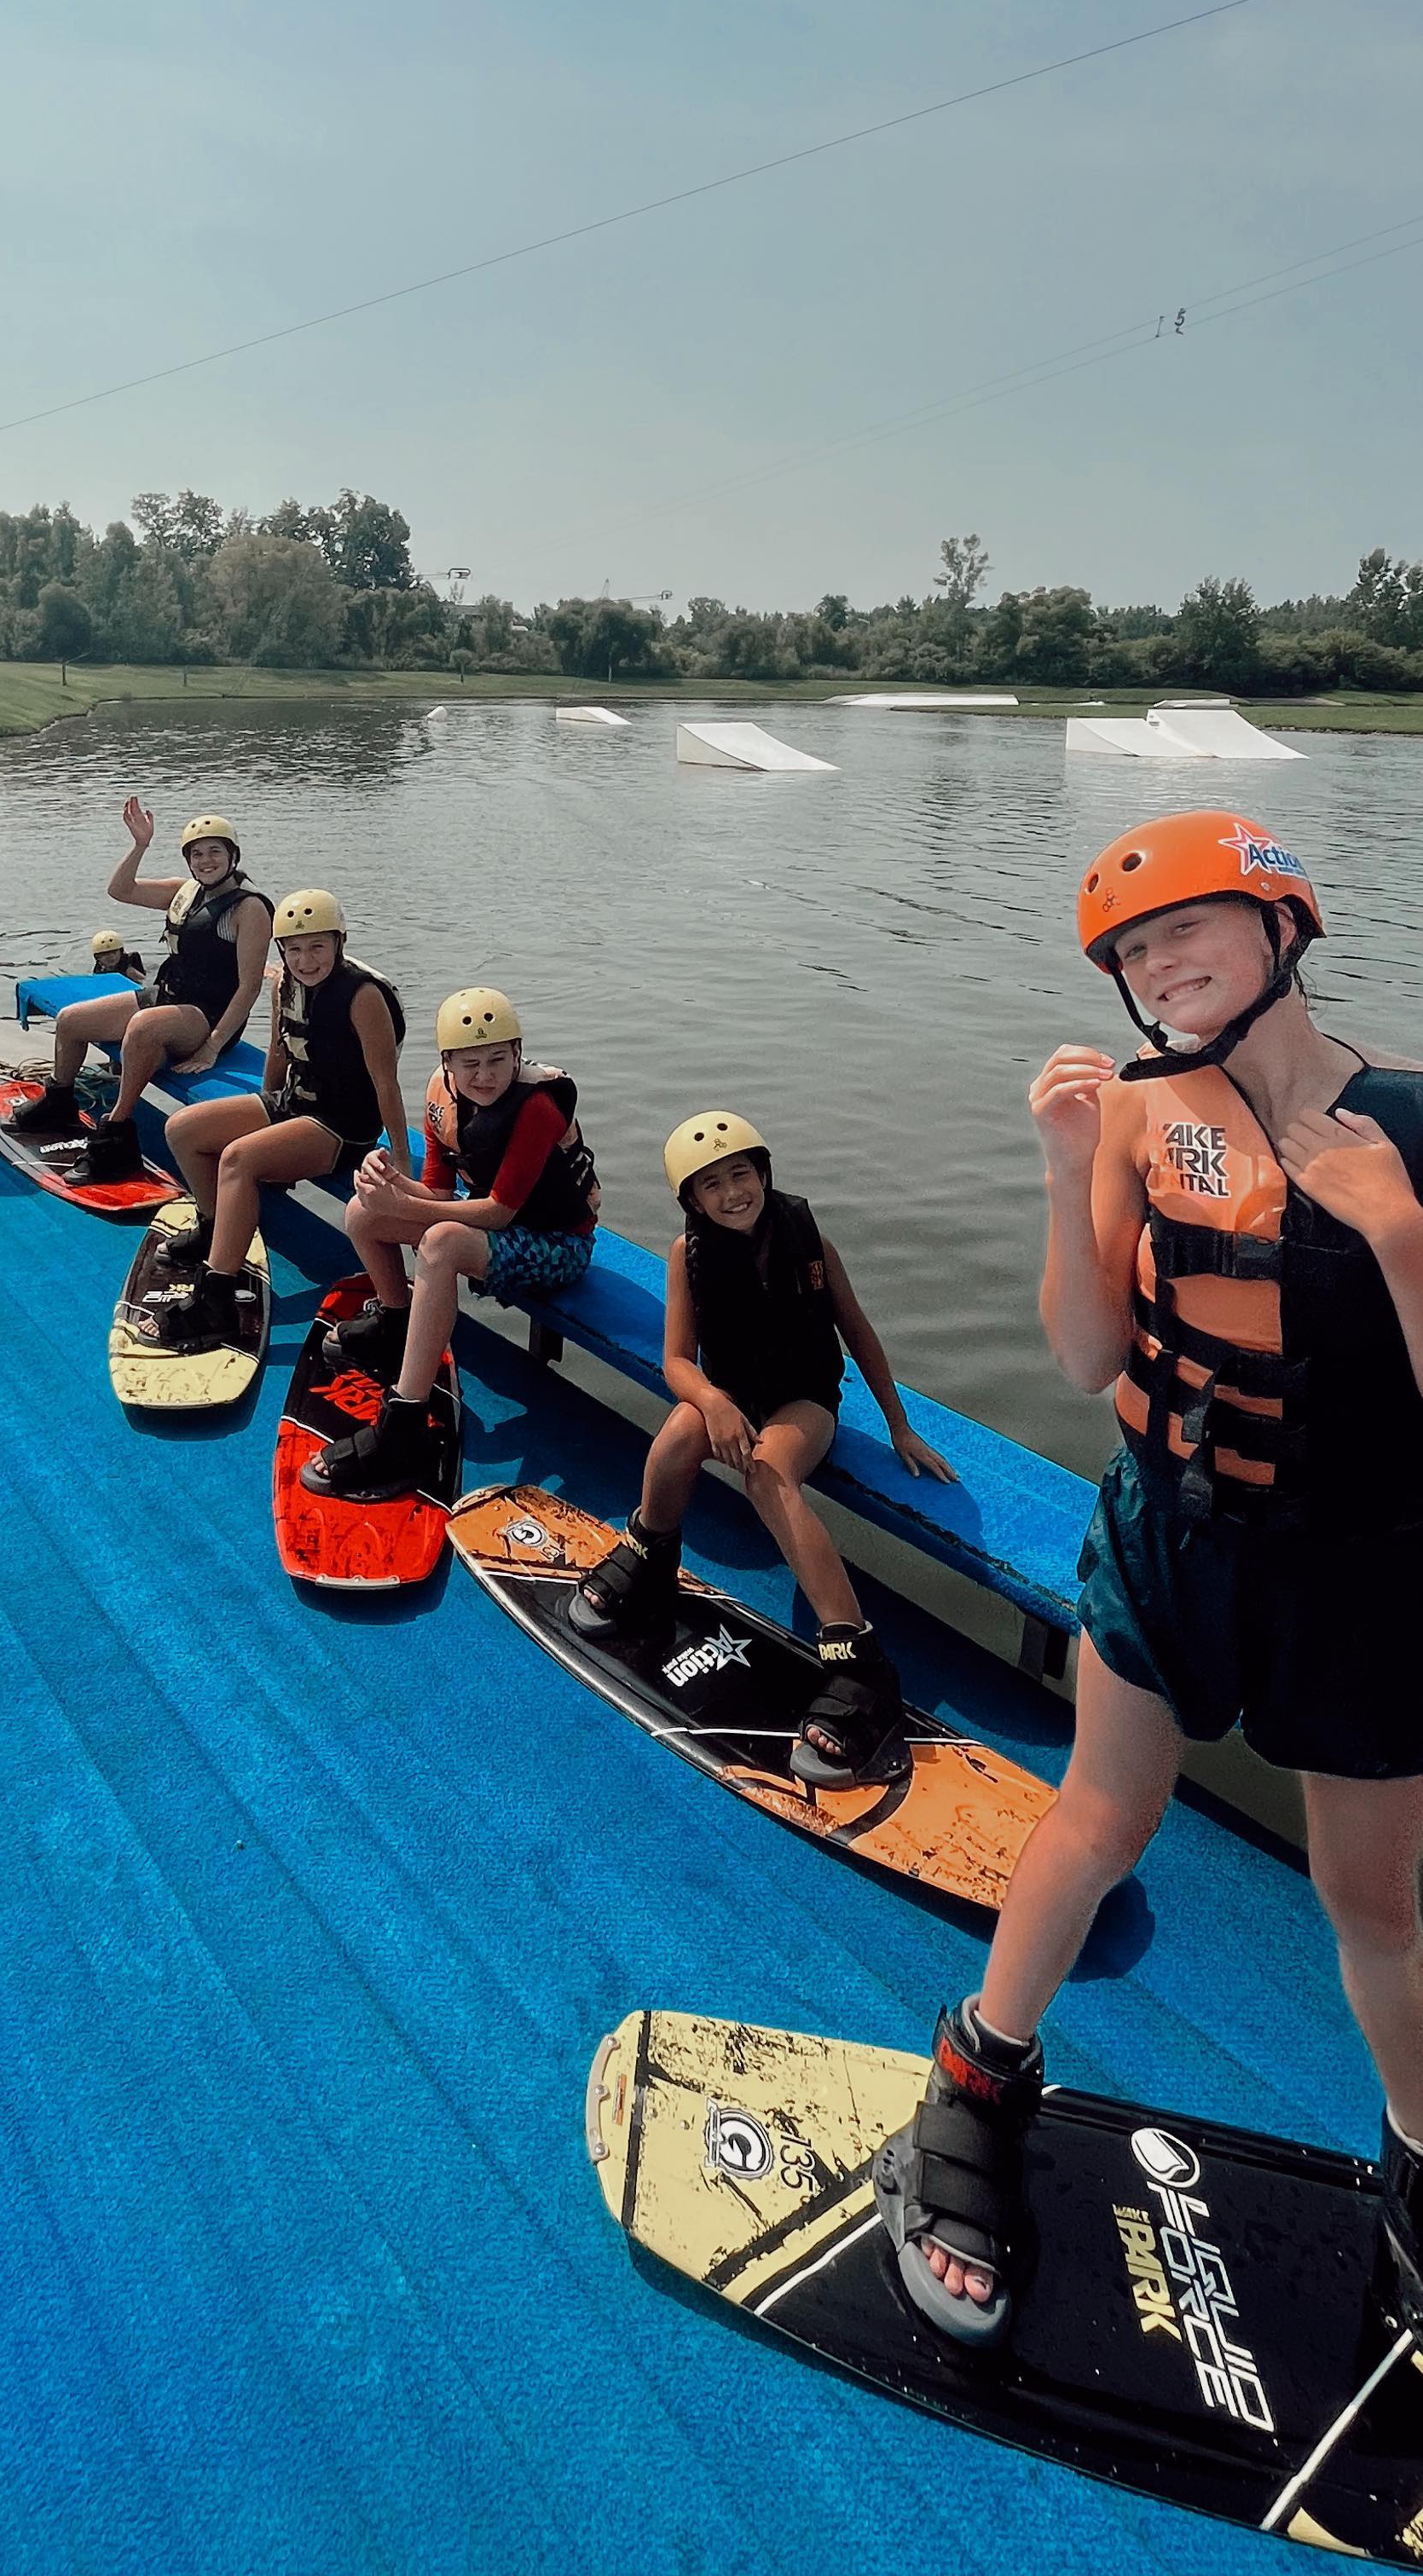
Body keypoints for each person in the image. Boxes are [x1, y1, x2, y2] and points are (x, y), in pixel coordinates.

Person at [878, 811, 1423, 2353]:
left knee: (1368, 1902)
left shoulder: (1410, 1124)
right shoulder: (1132, 1108)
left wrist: (1395, 1234)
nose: (1152, 968)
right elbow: (1081, 1357)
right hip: (1171, 1532)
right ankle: (972, 2088)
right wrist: (1063, 1173)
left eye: (1182, 930)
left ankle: (1419, 2171)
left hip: (1366, 1570)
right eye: (1127, 950)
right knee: (1094, 1816)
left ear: (1280, 925)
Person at [563, 1111, 953, 1779]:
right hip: (732, 1394)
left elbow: (858, 1332)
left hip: (805, 1401)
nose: (731, 1193)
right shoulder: (687, 1257)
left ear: (764, 1174)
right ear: (691, 1200)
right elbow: (678, 1362)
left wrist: (898, 1424)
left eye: (741, 1174)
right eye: (711, 1185)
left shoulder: (811, 1241)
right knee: (678, 1433)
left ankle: (858, 1658)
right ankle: (651, 1557)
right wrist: (712, 1401)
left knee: (768, 1472)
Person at [304, 986, 599, 1497]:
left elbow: (499, 1210)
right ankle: (397, 1321)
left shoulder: (537, 1108)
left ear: (517, 1054)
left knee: (439, 1242)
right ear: (447, 1063)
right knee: (362, 1211)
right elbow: (438, 1191)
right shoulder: (441, 1096)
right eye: (470, 1064)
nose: (484, 1076)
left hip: (559, 1244)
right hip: (494, 1227)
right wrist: (388, 1184)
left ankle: (404, 1427)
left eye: (497, 1060)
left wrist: (411, 1210)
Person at [143, 891, 409, 1356]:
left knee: (238, 1158)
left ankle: (216, 1299)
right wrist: (266, 1110)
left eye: (317, 947)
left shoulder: (363, 997)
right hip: (294, 1103)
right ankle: (216, 1229)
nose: (305, 960)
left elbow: (386, 1084)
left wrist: (403, 1163)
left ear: (339, 943)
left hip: (341, 1126)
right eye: (294, 949)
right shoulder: (283, 983)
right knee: (182, 1129)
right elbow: (280, 1049)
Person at [9, 806, 271, 1180]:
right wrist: (140, 844)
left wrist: (213, 1046)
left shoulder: (249, 908)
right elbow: (121, 890)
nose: (206, 861)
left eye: (215, 851)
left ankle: (116, 1136)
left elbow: (250, 987)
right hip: (166, 996)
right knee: (71, 1021)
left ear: (232, 856)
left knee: (144, 1028)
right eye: (197, 853)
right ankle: (59, 1102)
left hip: (209, 1015)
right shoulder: (184, 892)